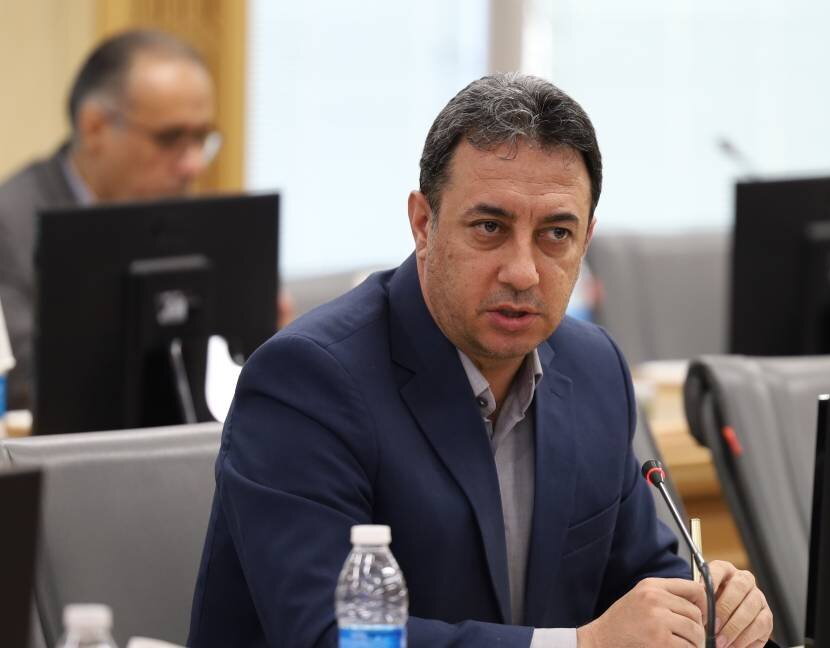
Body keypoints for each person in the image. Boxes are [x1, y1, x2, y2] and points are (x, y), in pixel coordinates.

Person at [189, 73, 774, 648]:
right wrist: (580, 647)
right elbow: (329, 636)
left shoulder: (593, 368)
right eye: (490, 227)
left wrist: (714, 612)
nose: (523, 272)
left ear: (586, 240)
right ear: (424, 224)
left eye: (556, 234)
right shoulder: (306, 381)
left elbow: (641, 584)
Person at [0, 29, 219, 410]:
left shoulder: (182, 220)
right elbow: (21, 381)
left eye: (202, 138)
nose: (193, 165)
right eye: (170, 139)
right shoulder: (11, 221)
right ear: (95, 127)